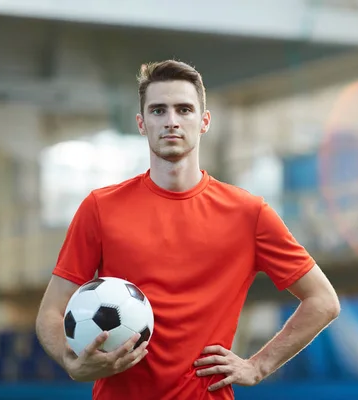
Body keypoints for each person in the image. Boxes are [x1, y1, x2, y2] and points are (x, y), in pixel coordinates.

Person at [35, 59, 340, 400]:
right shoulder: (100, 208)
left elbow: (323, 300)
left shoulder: (248, 214)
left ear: (204, 121)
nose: (171, 122)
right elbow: (50, 311)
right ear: (141, 123)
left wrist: (258, 366)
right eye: (158, 111)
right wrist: (69, 359)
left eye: (184, 110)